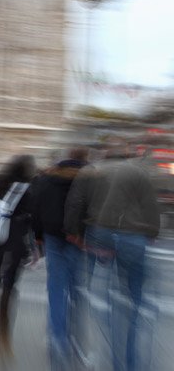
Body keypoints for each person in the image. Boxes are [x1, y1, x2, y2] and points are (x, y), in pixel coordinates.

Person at [65, 140, 160, 371]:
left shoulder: (91, 171)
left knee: (103, 288)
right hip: (133, 237)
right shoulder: (138, 172)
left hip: (100, 235)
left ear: (104, 155)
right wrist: (152, 232)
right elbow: (150, 207)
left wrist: (74, 232)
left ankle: (105, 319)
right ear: (126, 156)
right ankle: (132, 362)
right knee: (134, 298)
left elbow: (75, 203)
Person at [32, 147, 89, 370]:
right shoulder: (89, 178)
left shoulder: (47, 178)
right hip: (78, 239)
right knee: (77, 289)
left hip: (52, 238)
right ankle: (75, 339)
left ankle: (58, 337)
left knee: (56, 288)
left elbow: (35, 208)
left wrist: (37, 237)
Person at [0, 154, 36, 358]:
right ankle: (4, 326)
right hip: (16, 240)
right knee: (10, 284)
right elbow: (34, 215)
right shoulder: (29, 188)